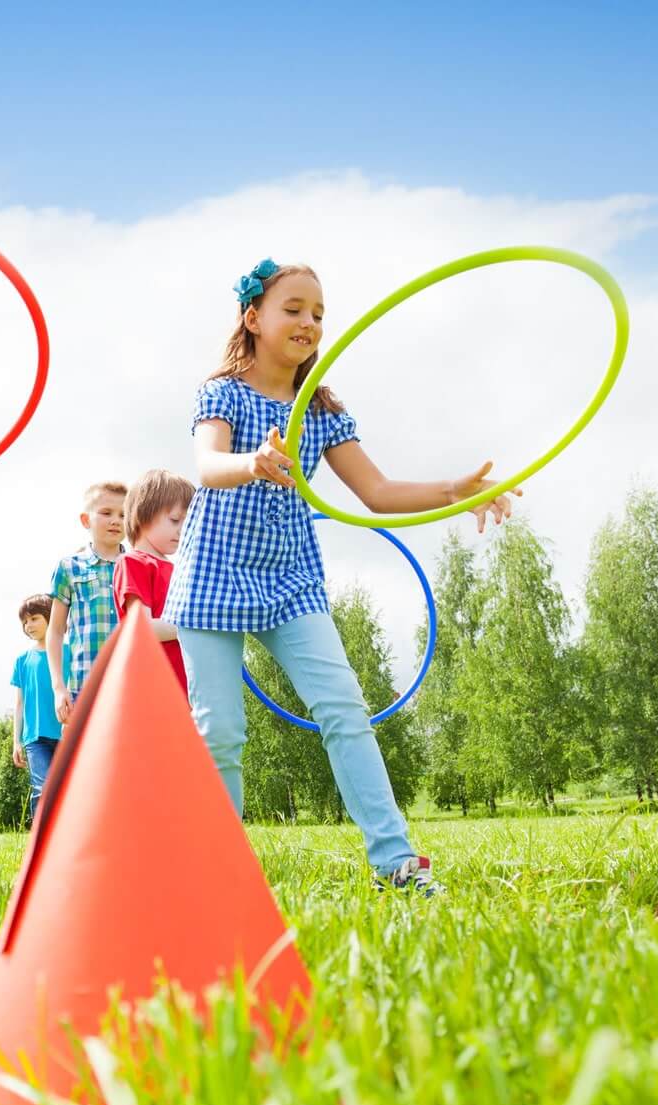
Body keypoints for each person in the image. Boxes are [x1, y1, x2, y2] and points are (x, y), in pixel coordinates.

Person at [165, 259, 516, 896]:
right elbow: (207, 465)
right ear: (254, 319)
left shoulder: (321, 410)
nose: (309, 323)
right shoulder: (224, 393)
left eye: (319, 314)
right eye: (294, 309)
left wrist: (458, 493)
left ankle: (398, 864)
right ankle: (216, 876)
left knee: (345, 709)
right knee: (220, 732)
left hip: (292, 577)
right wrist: (255, 460)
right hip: (214, 574)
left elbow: (378, 493)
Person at [46, 482, 126, 725]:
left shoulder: (137, 566)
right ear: (85, 520)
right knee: (88, 761)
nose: (116, 520)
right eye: (106, 513)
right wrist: (59, 688)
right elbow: (56, 630)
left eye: (123, 515)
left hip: (130, 684)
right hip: (84, 688)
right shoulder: (69, 567)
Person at [113, 468, 195, 693]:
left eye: (187, 524)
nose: (182, 531)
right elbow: (143, 628)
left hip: (187, 687)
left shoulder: (178, 570)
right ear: (142, 514)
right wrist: (198, 625)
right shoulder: (133, 562)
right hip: (156, 689)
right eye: (175, 520)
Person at [9, 594, 63, 821]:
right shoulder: (23, 660)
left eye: (34, 619)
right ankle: (41, 843)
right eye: (25, 622)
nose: (28, 626)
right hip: (34, 738)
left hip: (65, 733)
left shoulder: (67, 652)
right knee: (42, 789)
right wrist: (16, 741)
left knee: (65, 790)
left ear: (50, 617)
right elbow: (19, 703)